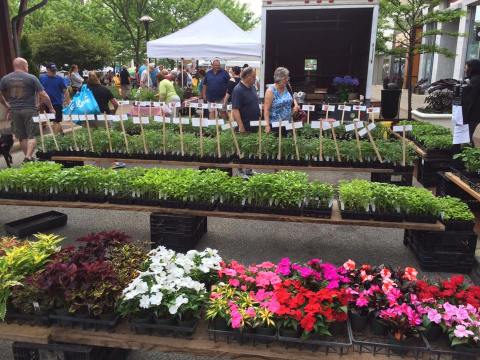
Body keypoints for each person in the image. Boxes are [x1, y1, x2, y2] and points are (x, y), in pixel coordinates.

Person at [0, 58, 55, 161]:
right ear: (24, 66)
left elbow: (1, 94)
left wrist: (7, 105)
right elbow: (43, 95)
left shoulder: (5, 79)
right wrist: (51, 108)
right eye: (27, 66)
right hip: (29, 110)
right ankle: (28, 156)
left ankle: (28, 158)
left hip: (14, 111)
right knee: (31, 135)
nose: (28, 68)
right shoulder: (31, 78)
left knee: (22, 136)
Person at [39, 63, 70, 134]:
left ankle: (56, 139)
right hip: (45, 103)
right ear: (47, 70)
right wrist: (38, 101)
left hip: (57, 103)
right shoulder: (42, 78)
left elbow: (66, 91)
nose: (54, 72)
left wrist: (67, 101)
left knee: (56, 121)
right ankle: (62, 134)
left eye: (54, 70)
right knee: (53, 120)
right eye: (52, 70)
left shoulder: (60, 79)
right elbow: (39, 91)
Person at [264, 67, 294, 133]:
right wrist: (267, 125)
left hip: (288, 123)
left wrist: (296, 105)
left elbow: (292, 97)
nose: (287, 79)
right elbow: (266, 110)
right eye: (286, 78)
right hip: (275, 125)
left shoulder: (287, 86)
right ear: (279, 78)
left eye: (287, 77)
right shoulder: (270, 91)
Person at [231, 67, 260, 133]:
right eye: (254, 76)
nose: (255, 78)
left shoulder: (252, 87)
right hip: (245, 126)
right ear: (247, 76)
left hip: (254, 125)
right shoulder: (238, 90)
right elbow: (235, 110)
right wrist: (241, 126)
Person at [462, 59, 480, 141]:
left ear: (472, 68)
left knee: (466, 136)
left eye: (466, 67)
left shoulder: (475, 81)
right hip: (474, 114)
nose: (465, 69)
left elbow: (469, 99)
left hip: (472, 114)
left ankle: (467, 152)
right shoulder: (474, 80)